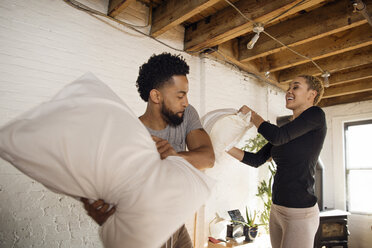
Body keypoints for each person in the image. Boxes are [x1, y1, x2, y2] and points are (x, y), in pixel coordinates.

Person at [82, 53, 215, 248]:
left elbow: (208, 158)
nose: (186, 101)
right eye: (180, 95)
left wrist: (174, 158)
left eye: (186, 94)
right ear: (156, 96)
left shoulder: (186, 114)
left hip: (176, 223)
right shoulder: (130, 135)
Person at [227, 75, 326, 248]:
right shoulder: (286, 129)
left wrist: (253, 116)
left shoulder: (316, 115)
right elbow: (257, 159)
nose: (289, 90)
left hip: (300, 213)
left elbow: (277, 137)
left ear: (311, 94)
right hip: (277, 209)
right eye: (289, 87)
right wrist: (224, 146)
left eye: (295, 87)